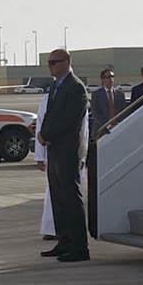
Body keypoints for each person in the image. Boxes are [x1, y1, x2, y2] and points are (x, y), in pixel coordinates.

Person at [38, 49, 89, 262]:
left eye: (55, 62)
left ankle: (79, 247)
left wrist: (48, 134)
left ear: (67, 62)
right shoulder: (55, 86)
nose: (51, 66)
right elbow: (50, 113)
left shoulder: (76, 87)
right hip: (55, 149)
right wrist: (42, 134)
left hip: (67, 150)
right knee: (58, 196)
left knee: (70, 197)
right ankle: (65, 240)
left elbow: (70, 119)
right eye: (49, 62)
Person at [34, 90, 88, 242]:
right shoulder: (48, 98)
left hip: (72, 154)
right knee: (53, 194)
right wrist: (39, 155)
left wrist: (83, 153)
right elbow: (41, 126)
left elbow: (84, 130)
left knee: (71, 196)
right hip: (54, 154)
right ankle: (53, 229)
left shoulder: (77, 94)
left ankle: (69, 235)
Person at [90, 68, 126, 138]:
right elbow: (95, 113)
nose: (111, 79)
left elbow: (124, 111)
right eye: (108, 77)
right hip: (101, 130)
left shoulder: (120, 94)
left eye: (112, 77)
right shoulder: (96, 94)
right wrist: (108, 124)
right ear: (103, 79)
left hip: (118, 129)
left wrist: (118, 124)